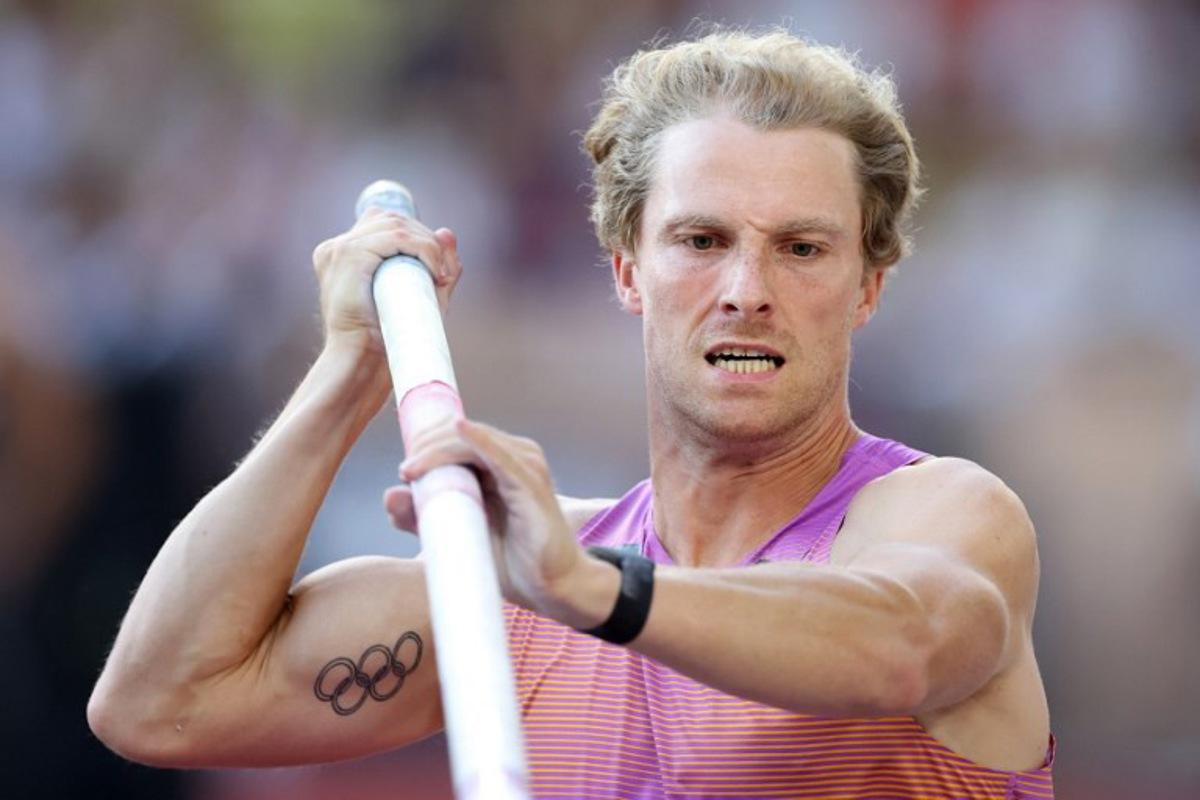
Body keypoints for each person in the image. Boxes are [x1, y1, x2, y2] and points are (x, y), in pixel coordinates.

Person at [89, 29, 1054, 798]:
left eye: (801, 249)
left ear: (867, 287)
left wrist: (597, 590)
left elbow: (906, 646)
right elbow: (160, 701)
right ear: (628, 270)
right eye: (701, 240)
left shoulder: (943, 516)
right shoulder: (524, 592)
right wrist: (349, 374)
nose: (747, 290)